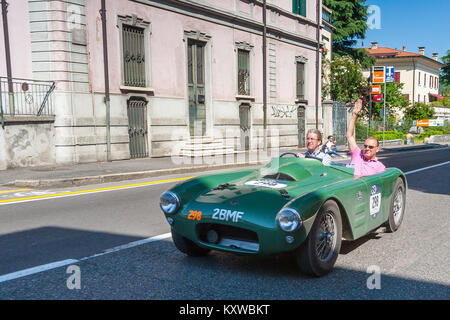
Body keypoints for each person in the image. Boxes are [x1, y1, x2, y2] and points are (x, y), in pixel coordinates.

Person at [346, 99, 386, 177]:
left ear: (377, 149)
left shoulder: (380, 167)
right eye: (365, 146)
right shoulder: (357, 153)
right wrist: (354, 115)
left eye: (371, 147)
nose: (367, 148)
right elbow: (349, 136)